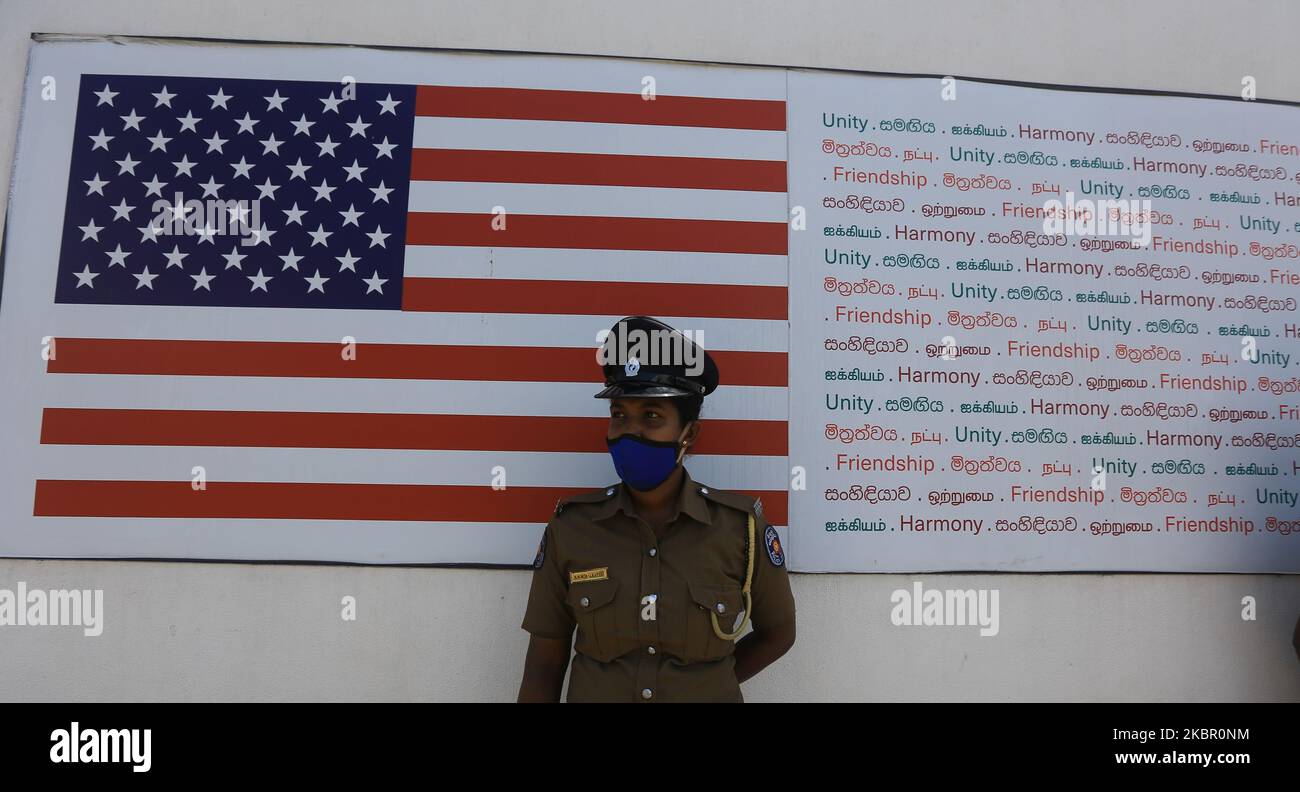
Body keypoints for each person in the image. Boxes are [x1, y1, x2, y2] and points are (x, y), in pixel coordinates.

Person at [517, 315, 796, 702]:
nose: (630, 431)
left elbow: (779, 633)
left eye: (651, 416)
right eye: (619, 415)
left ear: (689, 433)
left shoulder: (740, 529)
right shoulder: (572, 529)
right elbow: (543, 667)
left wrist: (707, 684)